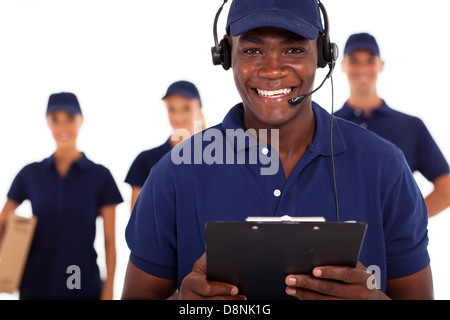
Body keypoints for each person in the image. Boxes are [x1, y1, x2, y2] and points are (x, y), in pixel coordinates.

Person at [122, 0, 433, 300]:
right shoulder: (174, 173)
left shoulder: (385, 167)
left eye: (294, 48)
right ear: (227, 54)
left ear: (323, 54)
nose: (273, 69)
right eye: (253, 50)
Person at [0, 92, 123, 300]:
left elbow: (110, 240)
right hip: (35, 286)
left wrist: (109, 289)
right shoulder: (30, 173)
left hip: (83, 287)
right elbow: (3, 219)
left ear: (81, 120)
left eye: (70, 118)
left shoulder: (100, 176)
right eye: (55, 119)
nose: (62, 127)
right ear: (47, 122)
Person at [335, 32, 450, 218]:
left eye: (370, 60)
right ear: (343, 66)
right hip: (342, 242)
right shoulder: (327, 126)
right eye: (354, 60)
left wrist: (409, 222)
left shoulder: (410, 126)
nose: (362, 67)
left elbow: (446, 188)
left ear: (381, 65)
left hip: (396, 246)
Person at [125, 80, 205, 211]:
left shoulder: (217, 157)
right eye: (172, 109)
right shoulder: (145, 161)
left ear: (199, 109)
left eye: (186, 108)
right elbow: (137, 223)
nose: (178, 116)